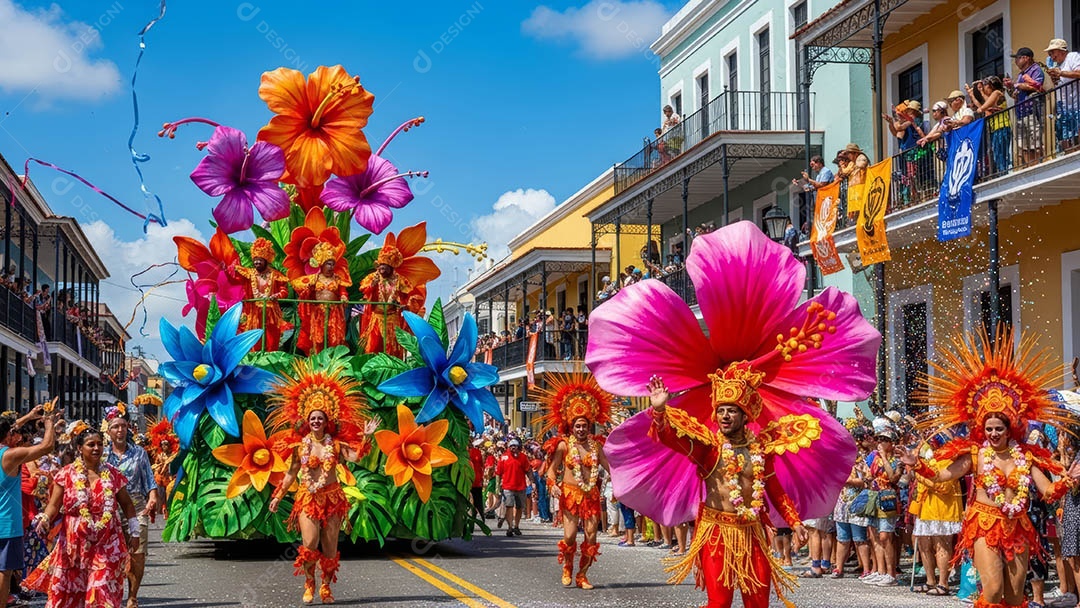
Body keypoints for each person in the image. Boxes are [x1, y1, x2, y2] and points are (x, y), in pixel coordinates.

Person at [900, 328, 1080, 608]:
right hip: (984, 524)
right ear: (981, 429)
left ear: (1010, 430)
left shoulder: (1025, 455)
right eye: (988, 429)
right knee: (993, 591)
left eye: (998, 429)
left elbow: (1048, 491)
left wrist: (1069, 481)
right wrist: (918, 465)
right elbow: (942, 475)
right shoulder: (975, 453)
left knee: (1015, 596)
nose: (993, 434)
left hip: (1019, 525)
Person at [267, 362, 375, 605]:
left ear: (326, 422)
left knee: (329, 546)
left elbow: (355, 457)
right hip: (308, 497)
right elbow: (291, 474)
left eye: (320, 418)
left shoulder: (335, 445)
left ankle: (325, 586)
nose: (316, 421)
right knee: (309, 542)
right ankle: (309, 582)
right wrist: (277, 496)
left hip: (333, 498)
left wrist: (366, 436)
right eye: (312, 418)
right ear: (307, 420)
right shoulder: (300, 447)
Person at [27, 420, 138, 608]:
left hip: (107, 543)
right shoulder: (66, 474)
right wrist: (44, 517)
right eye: (91, 444)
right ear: (79, 448)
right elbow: (54, 505)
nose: (97, 448)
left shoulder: (113, 474)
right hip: (73, 546)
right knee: (70, 594)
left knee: (102, 591)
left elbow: (127, 505)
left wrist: (134, 532)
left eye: (100, 444)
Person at [540, 372, 613, 590]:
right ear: (571, 426)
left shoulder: (596, 446)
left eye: (584, 425)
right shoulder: (563, 445)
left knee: (591, 537)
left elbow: (610, 468)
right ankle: (568, 567)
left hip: (591, 495)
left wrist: (620, 483)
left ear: (589, 426)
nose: (581, 429)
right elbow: (551, 472)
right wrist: (553, 486)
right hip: (570, 495)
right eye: (577, 425)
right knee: (570, 536)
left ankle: (582, 575)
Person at [0, 405, 59, 608]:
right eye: (13, 432)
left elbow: (7, 428)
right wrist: (49, 424)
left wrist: (28, 418)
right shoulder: (8, 456)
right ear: (8, 435)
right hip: (6, 524)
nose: (16, 434)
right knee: (3, 570)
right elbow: (46, 447)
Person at [102, 404, 159, 608]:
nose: (120, 430)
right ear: (108, 431)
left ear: (128, 429)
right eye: (115, 427)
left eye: (123, 426)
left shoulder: (139, 453)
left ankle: (132, 596)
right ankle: (110, 594)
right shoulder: (101, 454)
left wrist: (152, 497)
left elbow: (149, 480)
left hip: (136, 507)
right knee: (109, 553)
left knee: (137, 553)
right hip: (108, 509)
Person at [291, 243, 350, 355]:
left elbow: (343, 291)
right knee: (318, 338)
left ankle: (333, 363)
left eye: (333, 264)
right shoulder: (314, 279)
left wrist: (343, 297)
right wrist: (308, 289)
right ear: (322, 265)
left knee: (334, 338)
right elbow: (306, 295)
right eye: (328, 264)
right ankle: (317, 362)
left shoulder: (338, 279)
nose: (331, 267)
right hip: (318, 314)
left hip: (334, 314)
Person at [233, 237, 291, 351]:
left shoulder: (276, 275)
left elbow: (284, 291)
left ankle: (270, 360)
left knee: (272, 339)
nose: (257, 262)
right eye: (255, 259)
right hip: (254, 312)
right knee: (254, 338)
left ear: (266, 260)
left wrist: (276, 296)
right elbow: (235, 277)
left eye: (260, 260)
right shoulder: (248, 273)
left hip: (271, 313)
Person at [358, 243, 413, 358]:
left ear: (391, 268)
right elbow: (364, 291)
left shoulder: (400, 280)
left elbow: (407, 298)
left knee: (392, 350)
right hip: (376, 318)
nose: (381, 268)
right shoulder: (373, 277)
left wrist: (404, 305)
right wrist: (373, 284)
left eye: (385, 266)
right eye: (380, 265)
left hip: (392, 319)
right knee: (372, 348)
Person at [1005, 47, 1047, 167]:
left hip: (1032, 110)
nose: (1016, 62)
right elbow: (1015, 94)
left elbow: (1036, 87)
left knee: (1036, 141)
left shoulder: (1036, 70)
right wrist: (1010, 87)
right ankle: (1030, 165)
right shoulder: (1020, 75)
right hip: (1021, 112)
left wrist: (1017, 84)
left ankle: (1039, 165)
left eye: (1017, 59)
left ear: (1026, 58)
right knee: (1023, 144)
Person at [1045, 38, 1080, 151]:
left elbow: (1078, 73)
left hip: (1076, 102)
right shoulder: (1057, 65)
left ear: (1061, 50)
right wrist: (1054, 76)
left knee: (1078, 128)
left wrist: (1061, 73)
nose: (1051, 56)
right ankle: (1069, 154)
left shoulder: (1073, 57)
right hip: (1063, 105)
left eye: (1052, 52)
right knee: (1065, 135)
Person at [496, 438, 531, 538]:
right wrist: (497, 487)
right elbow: (498, 473)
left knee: (519, 507)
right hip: (508, 486)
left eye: (515, 446)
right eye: (511, 446)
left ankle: (516, 526)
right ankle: (510, 527)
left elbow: (528, 470)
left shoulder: (523, 457)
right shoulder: (504, 457)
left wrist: (532, 482)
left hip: (520, 487)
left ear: (518, 447)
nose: (513, 448)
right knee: (509, 506)